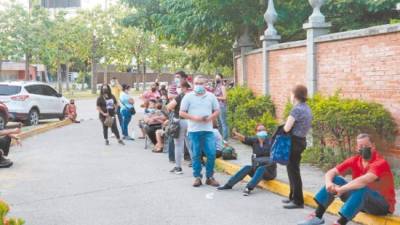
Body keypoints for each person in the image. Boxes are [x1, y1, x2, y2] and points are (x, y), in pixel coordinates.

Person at [297, 134, 396, 225]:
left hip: (382, 205)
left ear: (373, 146)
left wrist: (341, 189)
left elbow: (363, 181)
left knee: (362, 189)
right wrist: (329, 184)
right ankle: (317, 216)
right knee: (336, 180)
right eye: (360, 147)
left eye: (366, 145)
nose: (363, 149)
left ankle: (340, 223)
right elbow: (331, 172)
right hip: (361, 201)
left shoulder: (380, 162)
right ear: (357, 148)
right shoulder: (355, 160)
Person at [179, 75, 220, 187]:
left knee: (211, 154)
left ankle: (210, 177)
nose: (199, 85)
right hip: (194, 131)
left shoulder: (211, 96)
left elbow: (217, 110)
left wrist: (210, 118)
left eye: (201, 83)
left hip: (208, 130)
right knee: (196, 155)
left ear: (205, 84)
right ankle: (197, 177)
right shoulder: (188, 97)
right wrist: (195, 118)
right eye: (197, 83)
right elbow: (181, 112)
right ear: (193, 84)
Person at [217, 125, 277, 196]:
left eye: (263, 130)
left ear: (266, 131)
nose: (261, 132)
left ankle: (248, 188)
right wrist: (236, 133)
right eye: (259, 130)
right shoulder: (255, 140)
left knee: (261, 168)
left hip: (269, 172)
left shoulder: (271, 141)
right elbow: (244, 138)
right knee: (247, 167)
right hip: (256, 170)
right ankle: (228, 185)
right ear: (256, 132)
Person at [282, 85, 313, 209]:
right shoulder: (307, 108)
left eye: (291, 94)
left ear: (295, 96)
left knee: (293, 171)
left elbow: (286, 128)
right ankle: (292, 196)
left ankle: (298, 201)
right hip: (301, 141)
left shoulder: (296, 110)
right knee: (293, 169)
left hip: (294, 142)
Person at [166, 81, 192, 174]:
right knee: (190, 144)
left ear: (184, 88)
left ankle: (178, 167)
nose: (178, 89)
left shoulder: (180, 96)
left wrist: (174, 108)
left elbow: (169, 106)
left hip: (180, 121)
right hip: (192, 122)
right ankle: (196, 164)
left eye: (179, 87)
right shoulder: (194, 96)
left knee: (178, 144)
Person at [213, 73, 229, 140]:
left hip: (222, 107)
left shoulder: (222, 87)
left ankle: (225, 140)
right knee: (219, 124)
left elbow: (225, 97)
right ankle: (220, 138)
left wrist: (216, 97)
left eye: (218, 78)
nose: (217, 79)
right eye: (216, 78)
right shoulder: (216, 87)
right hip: (216, 107)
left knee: (223, 123)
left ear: (221, 79)